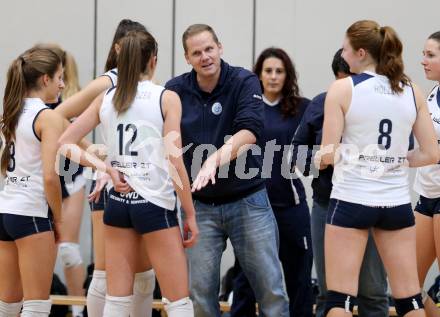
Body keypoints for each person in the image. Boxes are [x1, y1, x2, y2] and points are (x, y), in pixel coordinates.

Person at [58, 29, 198, 317]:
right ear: (153, 61)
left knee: (117, 300)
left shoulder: (106, 98)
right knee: (178, 302)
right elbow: (175, 161)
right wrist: (190, 213)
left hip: (118, 206)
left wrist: (104, 166)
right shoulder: (167, 98)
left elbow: (64, 144)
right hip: (154, 205)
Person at [165, 24, 289, 317]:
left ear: (219, 47)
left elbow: (250, 131)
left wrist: (213, 161)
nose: (205, 56)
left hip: (248, 201)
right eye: (197, 53)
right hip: (201, 207)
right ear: (187, 57)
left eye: (209, 49)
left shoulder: (244, 81)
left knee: (271, 291)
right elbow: (165, 144)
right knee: (200, 296)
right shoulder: (174, 91)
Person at [318, 20, 439, 317]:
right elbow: (432, 153)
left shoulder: (342, 89)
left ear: (360, 53)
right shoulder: (411, 90)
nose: (342, 54)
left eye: (345, 48)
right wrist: (397, 159)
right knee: (410, 299)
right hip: (395, 202)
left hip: (352, 199)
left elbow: (328, 155)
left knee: (339, 300)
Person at [54, 19, 156, 317]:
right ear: (118, 48)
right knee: (102, 269)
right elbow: (56, 116)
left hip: (145, 183)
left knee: (143, 274)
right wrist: (93, 150)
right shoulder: (108, 82)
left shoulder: (149, 86)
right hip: (110, 180)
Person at [292, 48, 389, 317]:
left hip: (372, 204)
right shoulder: (321, 104)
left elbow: (404, 151)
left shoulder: (385, 105)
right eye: (349, 81)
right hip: (328, 205)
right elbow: (297, 157)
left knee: (373, 294)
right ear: (338, 78)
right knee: (329, 294)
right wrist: (322, 158)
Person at [230, 47, 313, 317]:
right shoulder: (246, 106)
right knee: (246, 279)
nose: (274, 77)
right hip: (253, 206)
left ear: (287, 75)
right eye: (268, 71)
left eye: (280, 71)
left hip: (291, 205)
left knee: (298, 276)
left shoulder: (302, 108)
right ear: (259, 75)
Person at [0, 45, 65, 317]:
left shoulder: (10, 112)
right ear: (45, 79)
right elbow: (50, 177)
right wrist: (58, 220)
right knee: (37, 306)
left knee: (8, 305)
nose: (63, 84)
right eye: (60, 77)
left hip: (6, 212)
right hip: (32, 215)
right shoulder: (46, 116)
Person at [46, 50, 87, 317]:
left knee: (69, 250)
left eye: (62, 76)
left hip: (70, 173)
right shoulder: (27, 107)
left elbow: (82, 143)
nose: (59, 83)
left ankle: (77, 309)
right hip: (40, 177)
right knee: (39, 253)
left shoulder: (69, 103)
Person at [414, 31, 440, 317]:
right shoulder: (432, 92)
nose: (423, 61)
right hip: (426, 194)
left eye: (430, 55)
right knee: (408, 286)